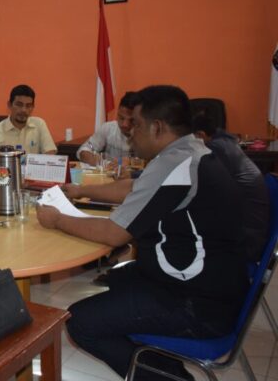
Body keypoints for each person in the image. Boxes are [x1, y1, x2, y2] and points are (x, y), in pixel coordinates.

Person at [38, 85, 248, 380]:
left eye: (135, 125)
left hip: (198, 304)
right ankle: (159, 366)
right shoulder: (190, 151)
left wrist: (58, 220)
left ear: (157, 127)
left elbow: (114, 234)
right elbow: (134, 187)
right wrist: (82, 190)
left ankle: (167, 378)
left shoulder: (175, 165)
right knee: (118, 278)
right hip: (213, 285)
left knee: (81, 321)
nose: (129, 133)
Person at [192, 113, 269, 262]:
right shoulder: (225, 142)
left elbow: (206, 190)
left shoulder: (216, 148)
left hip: (245, 242)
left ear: (201, 135)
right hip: (246, 231)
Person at [0, 84, 57, 170]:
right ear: (9, 105)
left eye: (28, 106)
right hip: (5, 177)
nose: (24, 110)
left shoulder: (39, 124)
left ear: (33, 107)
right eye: (19, 104)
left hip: (33, 176)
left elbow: (50, 153)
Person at [77, 91, 137, 166]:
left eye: (131, 120)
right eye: (121, 118)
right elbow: (84, 149)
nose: (125, 124)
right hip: (108, 171)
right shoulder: (108, 129)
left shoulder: (147, 136)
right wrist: (91, 158)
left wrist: (131, 162)